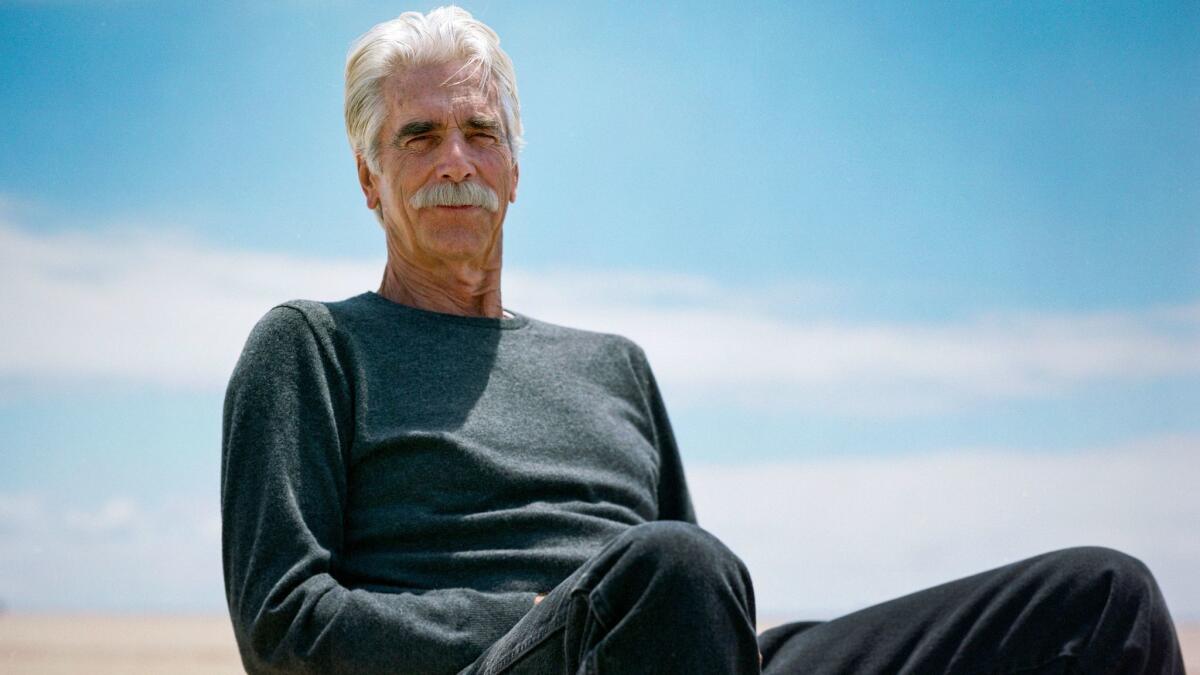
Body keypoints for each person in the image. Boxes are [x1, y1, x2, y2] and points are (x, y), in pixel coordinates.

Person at [220, 7, 1185, 674]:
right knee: (672, 571)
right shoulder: (312, 347)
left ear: (516, 169)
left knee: (1104, 601)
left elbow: (695, 591)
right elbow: (285, 626)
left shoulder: (613, 366)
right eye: (418, 137)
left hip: (677, 643)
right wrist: (572, 617)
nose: (456, 162)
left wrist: (651, 617)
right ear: (367, 178)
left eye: (480, 131)